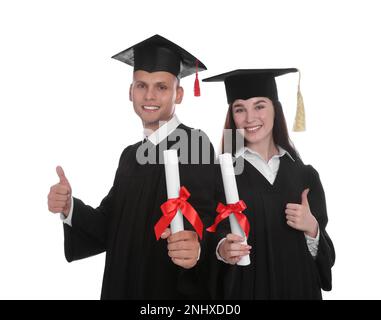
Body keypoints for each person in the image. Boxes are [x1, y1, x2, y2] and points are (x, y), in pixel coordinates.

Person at [47, 34, 219, 299]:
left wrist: (199, 247)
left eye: (161, 87)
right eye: (141, 85)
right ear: (130, 92)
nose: (149, 95)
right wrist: (70, 207)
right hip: (122, 285)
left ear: (179, 94)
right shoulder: (130, 156)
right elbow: (109, 224)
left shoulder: (194, 143)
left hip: (166, 290)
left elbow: (210, 218)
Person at [203, 69, 335, 299]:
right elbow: (207, 235)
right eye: (240, 109)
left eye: (259, 106)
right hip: (246, 291)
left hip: (299, 290)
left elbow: (326, 258)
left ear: (276, 109)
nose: (250, 118)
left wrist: (312, 228)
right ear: (232, 116)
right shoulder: (219, 176)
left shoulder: (305, 175)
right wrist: (222, 249)